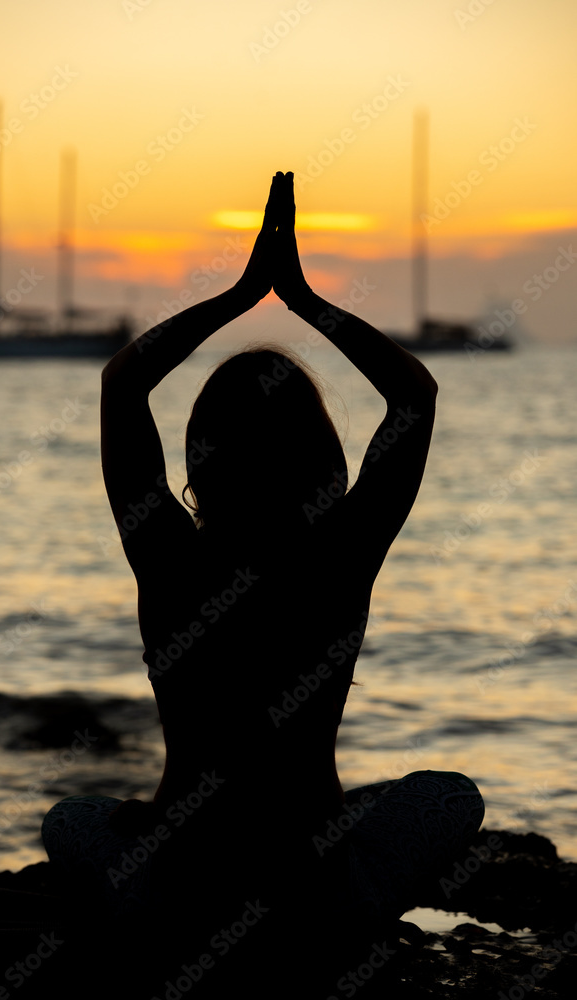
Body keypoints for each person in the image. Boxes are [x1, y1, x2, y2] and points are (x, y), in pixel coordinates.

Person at [41, 172, 484, 996]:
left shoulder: (167, 555)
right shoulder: (342, 552)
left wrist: (239, 296)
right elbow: (415, 395)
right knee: (449, 796)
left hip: (175, 898)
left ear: (201, 460)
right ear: (320, 454)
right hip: (318, 898)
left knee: (72, 820)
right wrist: (304, 300)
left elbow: (121, 384)